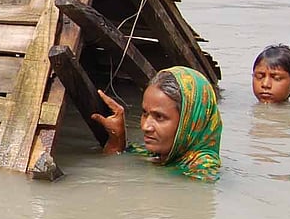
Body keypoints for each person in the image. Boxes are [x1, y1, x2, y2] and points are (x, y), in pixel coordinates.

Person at [91, 67, 222, 182]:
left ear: (189, 122)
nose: (145, 127)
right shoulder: (155, 154)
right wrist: (117, 139)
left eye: (159, 117)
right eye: (144, 113)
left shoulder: (203, 171)